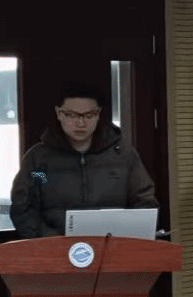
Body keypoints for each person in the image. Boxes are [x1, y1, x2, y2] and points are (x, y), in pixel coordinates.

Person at [8, 80, 158, 238]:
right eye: (72, 115)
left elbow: (145, 202)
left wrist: (127, 237)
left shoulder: (123, 155)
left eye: (89, 115)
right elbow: (23, 207)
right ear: (59, 113)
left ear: (98, 114)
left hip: (114, 245)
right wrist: (50, 241)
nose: (81, 123)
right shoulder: (38, 160)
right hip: (54, 247)